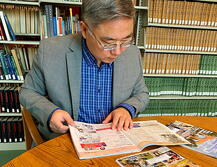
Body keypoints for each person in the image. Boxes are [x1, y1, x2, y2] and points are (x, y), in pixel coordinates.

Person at [19, 0, 149, 141]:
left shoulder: (132, 54)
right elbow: (28, 92)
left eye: (126, 40)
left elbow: (142, 93)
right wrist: (51, 113)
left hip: (115, 140)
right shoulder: (50, 51)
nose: (118, 52)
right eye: (108, 43)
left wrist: (127, 108)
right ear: (85, 29)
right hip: (64, 140)